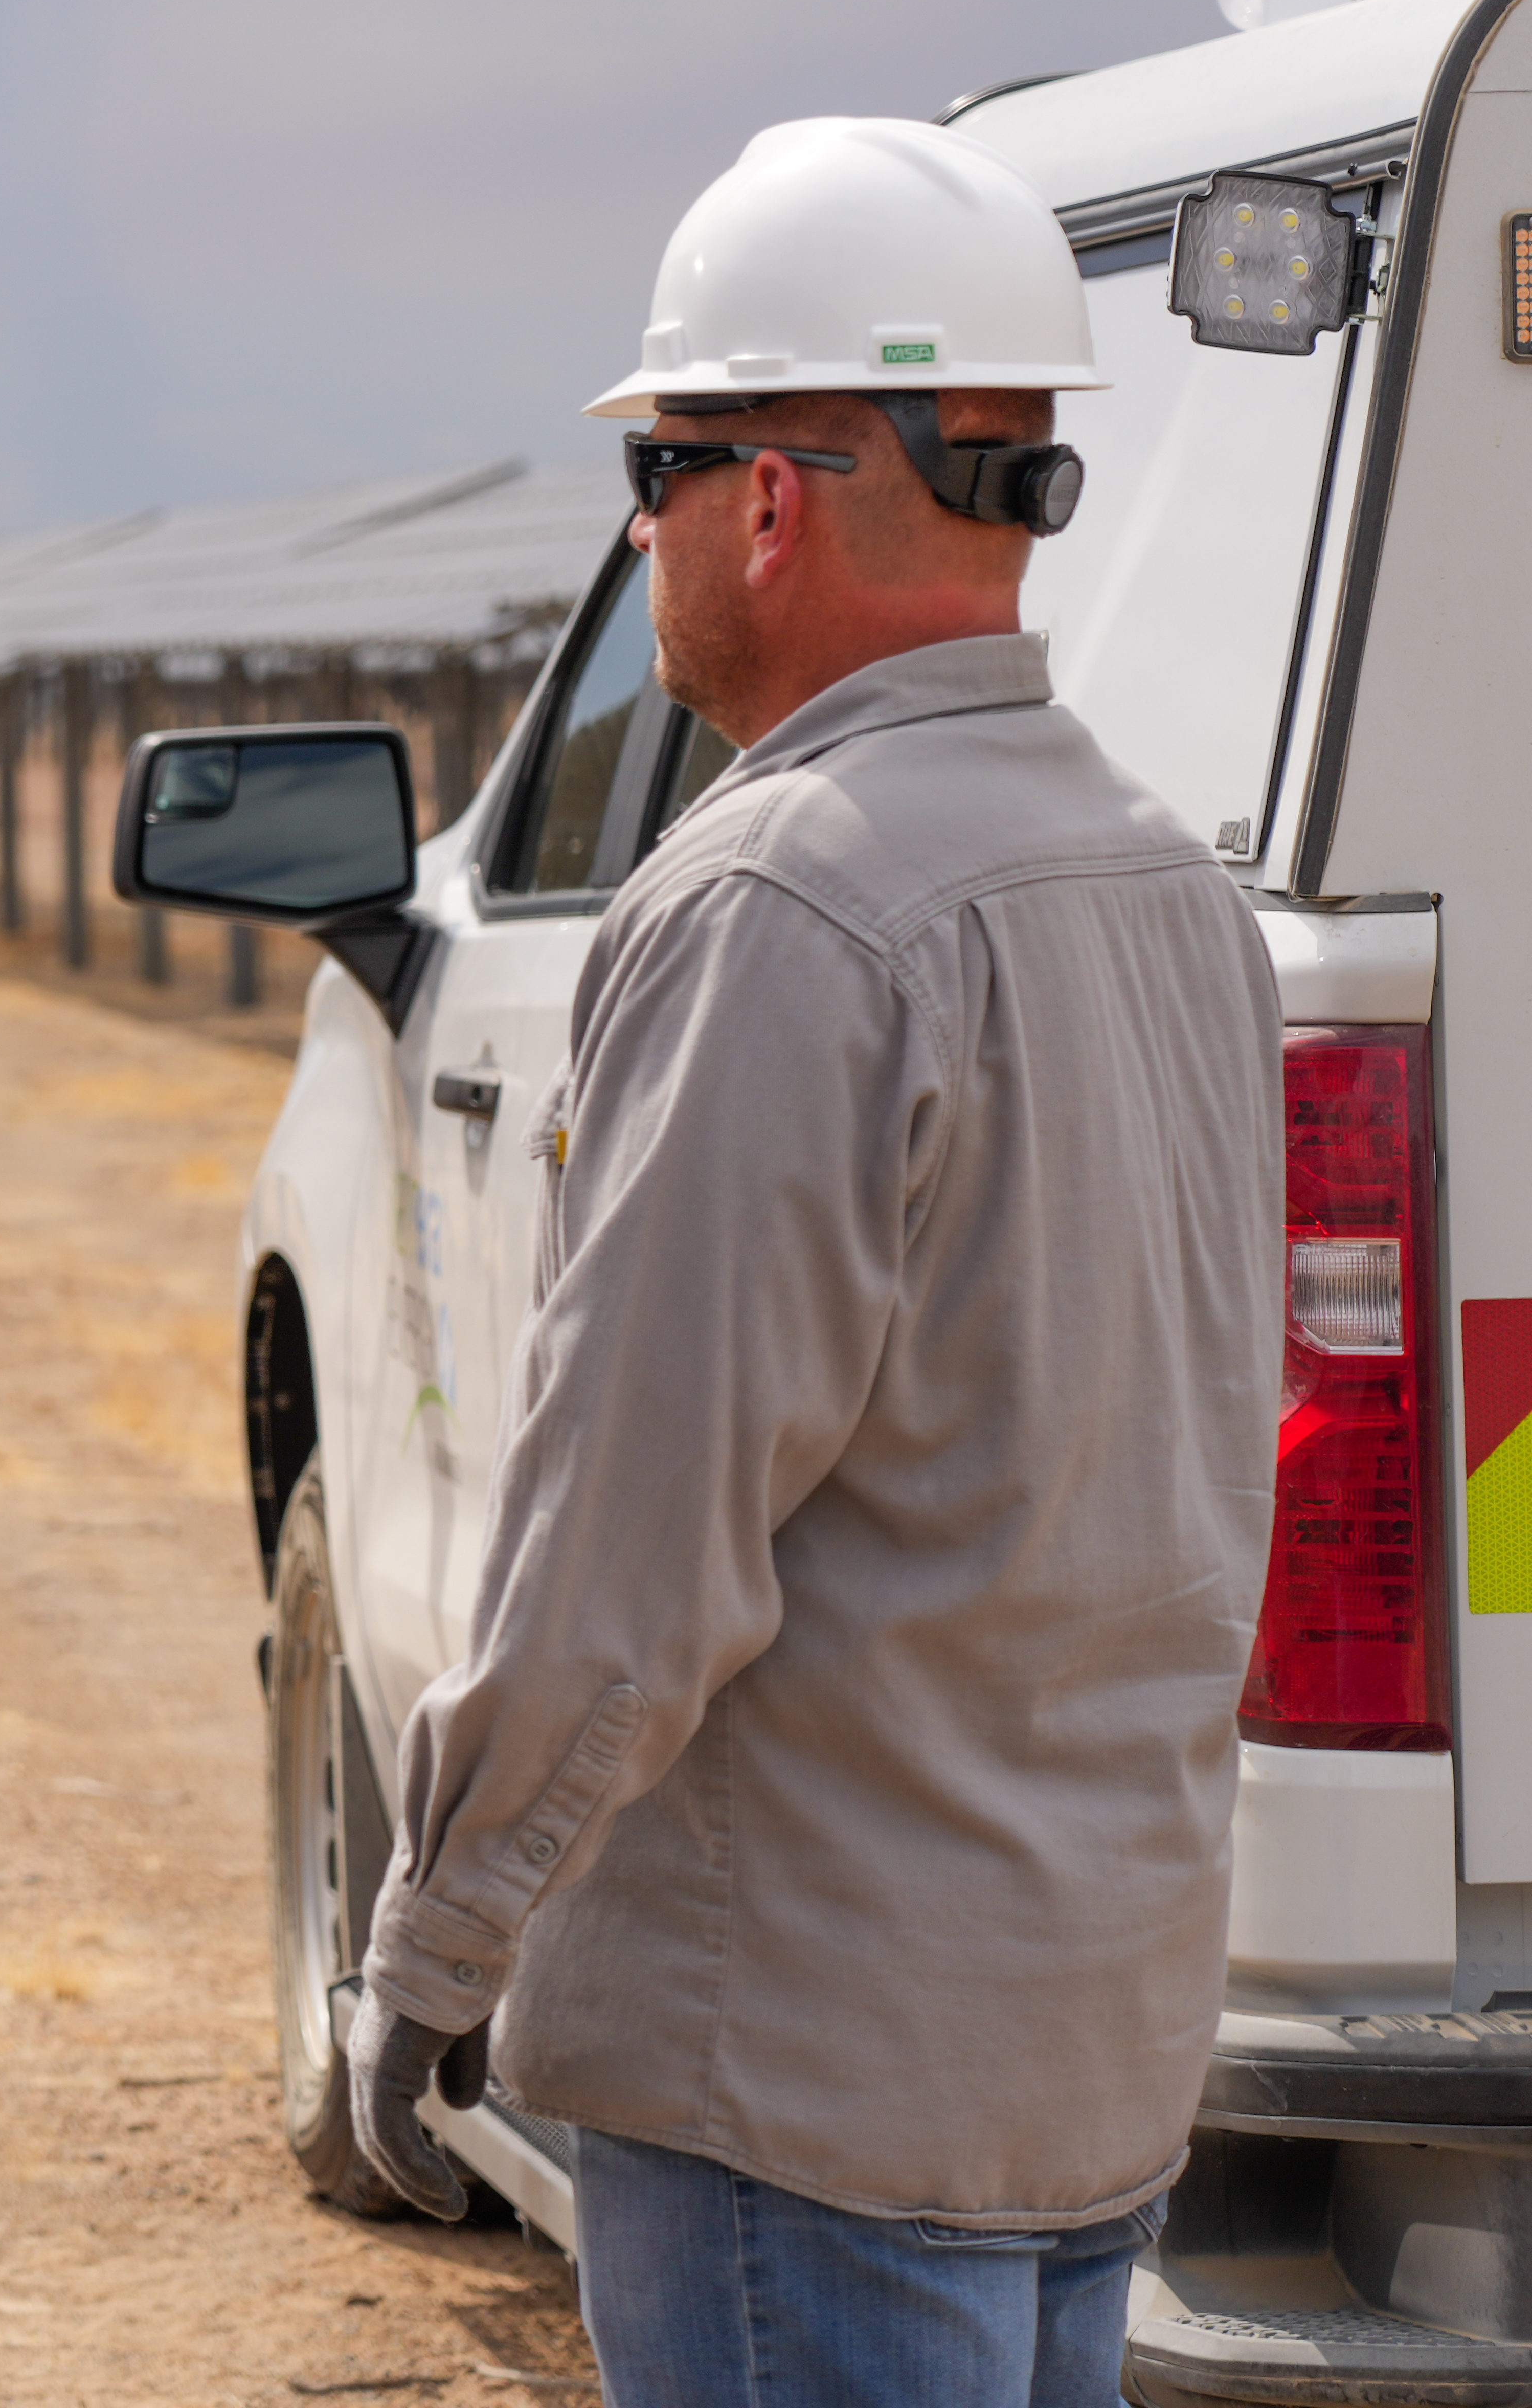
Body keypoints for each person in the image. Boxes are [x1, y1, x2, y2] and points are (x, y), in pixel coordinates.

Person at [341, 115, 1283, 2405]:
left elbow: (630, 1546)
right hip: (1082, 2058)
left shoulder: (778, 908)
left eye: (652, 469)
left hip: (804, 2087)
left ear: (765, 493)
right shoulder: (1173, 894)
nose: (644, 529)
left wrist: (433, 1953)